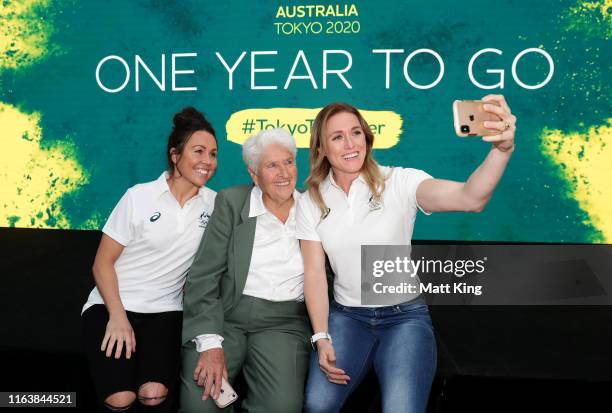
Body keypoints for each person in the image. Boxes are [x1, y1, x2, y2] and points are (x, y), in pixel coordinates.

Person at [297, 96, 516, 413]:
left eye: (356, 132)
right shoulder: (311, 200)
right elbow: (315, 275)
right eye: (337, 136)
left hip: (404, 318)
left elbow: (471, 198)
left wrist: (502, 150)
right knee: (317, 405)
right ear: (321, 149)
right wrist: (321, 337)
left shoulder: (399, 181)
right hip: (348, 318)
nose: (350, 144)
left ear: (367, 137)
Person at [81, 107, 218, 413]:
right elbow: (101, 264)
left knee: (153, 395)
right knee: (121, 398)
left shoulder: (214, 204)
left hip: (166, 312)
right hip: (111, 305)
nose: (207, 161)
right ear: (175, 155)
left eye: (213, 153)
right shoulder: (138, 197)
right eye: (198, 151)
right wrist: (117, 317)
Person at [180, 128, 311, 413]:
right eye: (271, 165)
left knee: (282, 407)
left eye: (288, 161)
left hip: (284, 324)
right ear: (254, 174)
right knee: (199, 406)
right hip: (226, 317)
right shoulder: (232, 202)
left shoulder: (312, 208)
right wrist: (210, 343)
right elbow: (204, 275)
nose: (284, 173)